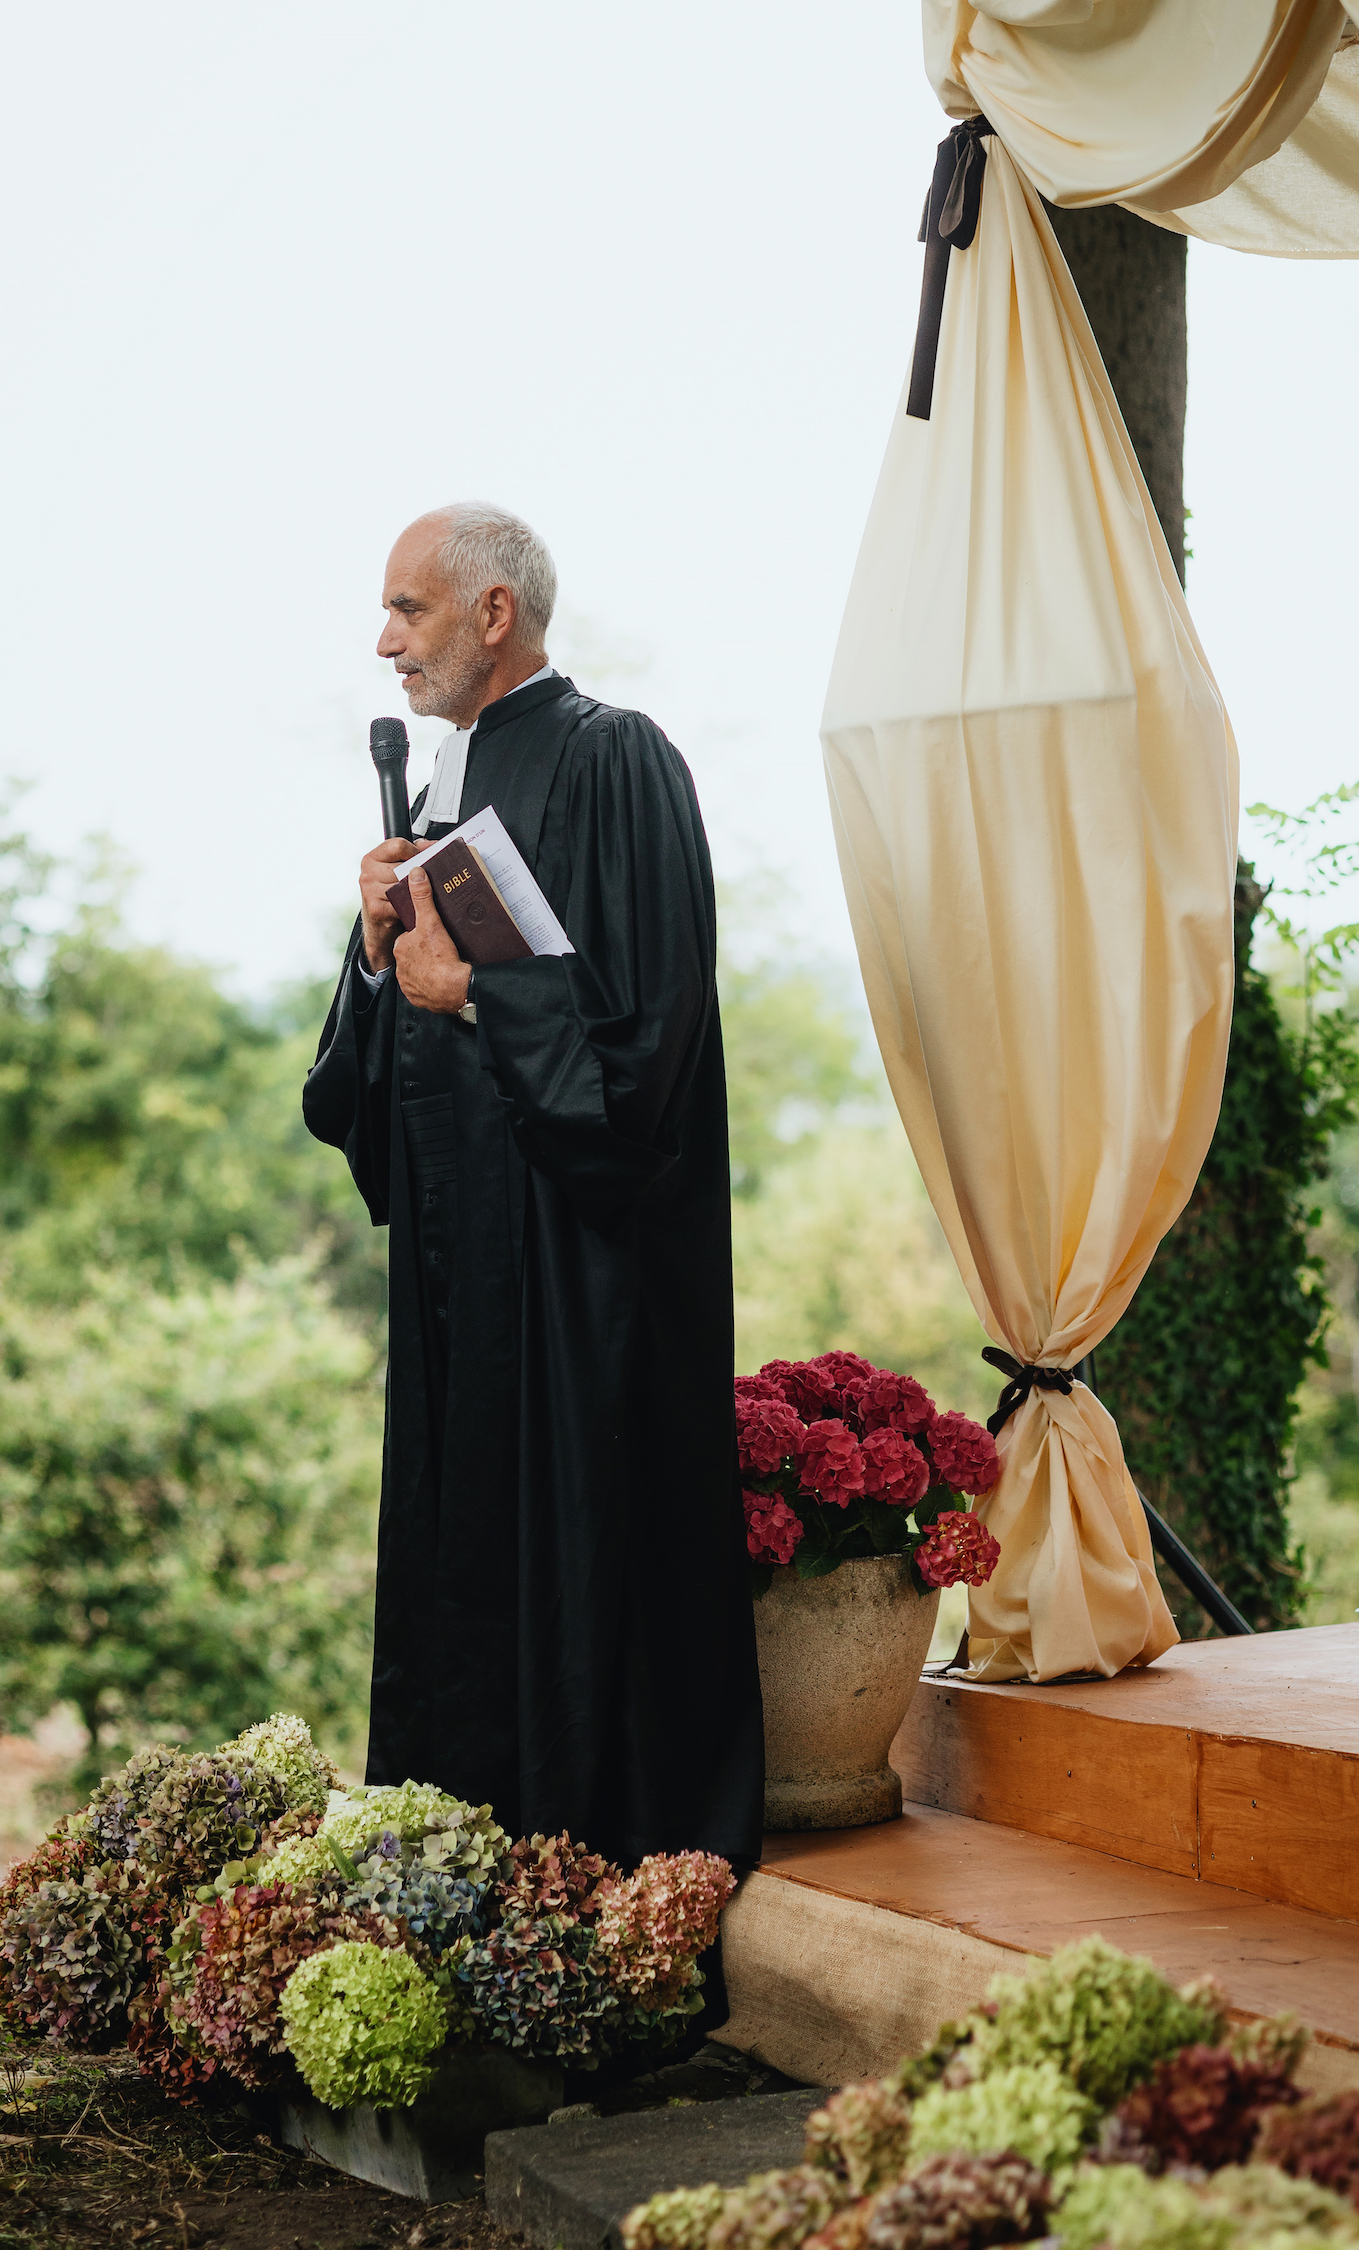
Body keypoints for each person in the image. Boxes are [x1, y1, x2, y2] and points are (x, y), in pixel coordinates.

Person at [304, 502, 763, 1875]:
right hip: (460, 1286)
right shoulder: (439, 796)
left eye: (411, 610)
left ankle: (601, 1882)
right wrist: (381, 956)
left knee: (582, 1580)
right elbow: (358, 1100)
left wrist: (475, 993)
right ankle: (461, 1876)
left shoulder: (616, 762)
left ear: (495, 611)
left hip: (580, 1287)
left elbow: (647, 1046)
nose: (385, 641)